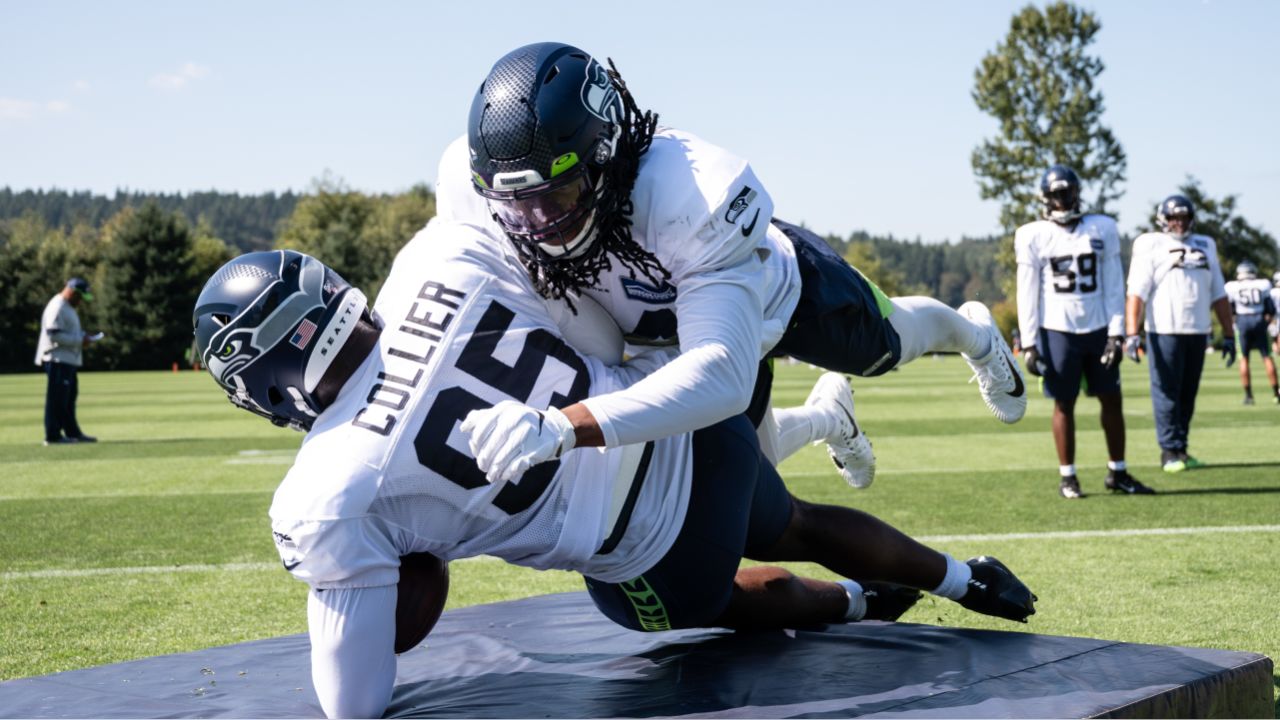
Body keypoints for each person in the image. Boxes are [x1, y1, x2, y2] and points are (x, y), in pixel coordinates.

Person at [192, 221, 1037, 719]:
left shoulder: (328, 488)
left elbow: (353, 701)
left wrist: (419, 552)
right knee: (791, 519)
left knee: (677, 603)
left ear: (267, 377)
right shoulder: (436, 257)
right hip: (684, 414)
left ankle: (857, 602)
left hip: (651, 544)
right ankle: (969, 579)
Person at [438, 42, 1026, 489]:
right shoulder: (473, 195)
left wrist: (565, 427)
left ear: (607, 155)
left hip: (778, 300)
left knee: (891, 344)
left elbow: (721, 373)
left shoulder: (688, 193)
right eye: (515, 205)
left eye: (559, 196)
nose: (539, 224)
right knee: (753, 481)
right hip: (662, 339)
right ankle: (827, 417)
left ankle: (973, 334)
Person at [1015, 165, 1152, 499]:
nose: (1062, 201)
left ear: (1077, 193)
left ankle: (1117, 472)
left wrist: (1116, 333)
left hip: (1098, 326)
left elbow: (1112, 282)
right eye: (1056, 195)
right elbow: (1026, 290)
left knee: (1112, 399)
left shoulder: (1101, 227)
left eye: (1067, 193)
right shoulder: (1032, 234)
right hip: (1057, 330)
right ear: (1045, 198)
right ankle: (1068, 477)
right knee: (1064, 403)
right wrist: (1029, 342)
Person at [1125, 194, 1235, 473]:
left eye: (1184, 217)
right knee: (1166, 393)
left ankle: (1181, 449)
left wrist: (1230, 334)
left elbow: (1219, 293)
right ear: (1163, 218)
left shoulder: (1205, 245)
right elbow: (1137, 292)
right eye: (1174, 217)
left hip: (1197, 330)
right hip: (1164, 330)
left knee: (1188, 393)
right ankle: (1168, 451)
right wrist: (1131, 332)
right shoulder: (1151, 244)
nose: (1179, 223)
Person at [34, 277, 99, 445]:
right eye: (79, 297)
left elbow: (67, 332)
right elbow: (53, 334)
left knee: (69, 398)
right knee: (57, 399)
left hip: (68, 360)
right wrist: (80, 340)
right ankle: (52, 436)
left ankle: (72, 432)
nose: (80, 301)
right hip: (57, 359)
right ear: (71, 291)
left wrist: (83, 337)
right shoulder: (58, 306)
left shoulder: (68, 307)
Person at [1222, 261, 1278, 405]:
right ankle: (1276, 394)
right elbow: (1270, 309)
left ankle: (1248, 396)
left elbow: (1231, 308)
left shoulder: (1232, 286)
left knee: (1244, 359)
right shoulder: (1263, 284)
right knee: (1267, 357)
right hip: (1259, 319)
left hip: (1242, 321)